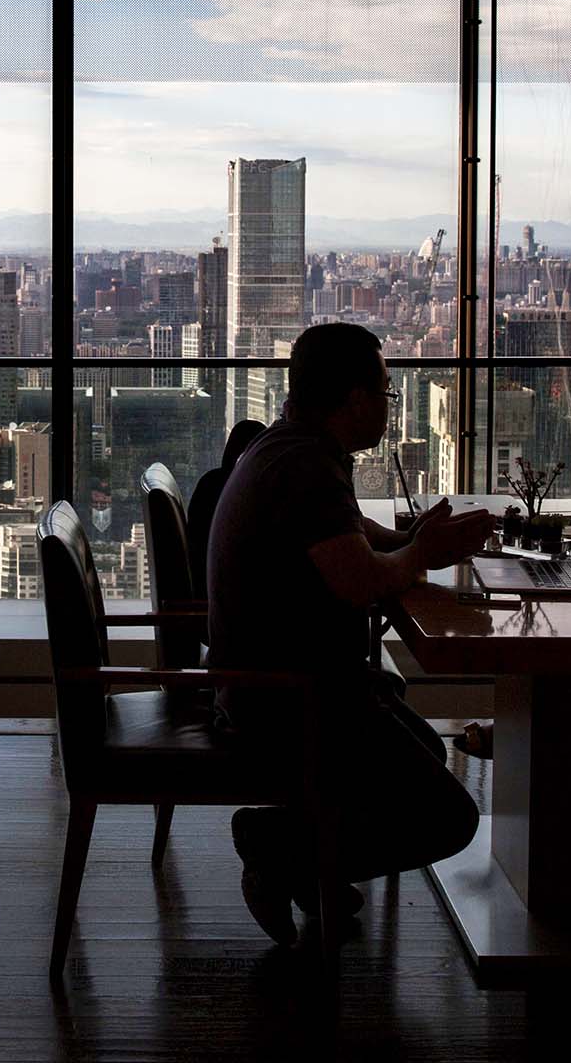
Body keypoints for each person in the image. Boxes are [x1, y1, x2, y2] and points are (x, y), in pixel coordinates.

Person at [205, 323, 492, 946]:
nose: (390, 407)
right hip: (287, 698)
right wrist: (420, 553)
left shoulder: (290, 445)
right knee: (449, 817)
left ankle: (304, 855)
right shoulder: (307, 465)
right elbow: (360, 581)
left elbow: (349, 534)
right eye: (387, 393)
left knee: (425, 756)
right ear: (355, 399)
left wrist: (424, 549)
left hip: (271, 680)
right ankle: (279, 848)